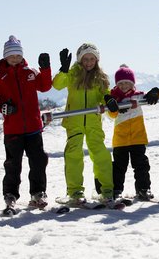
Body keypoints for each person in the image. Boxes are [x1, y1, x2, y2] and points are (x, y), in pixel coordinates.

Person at [0, 35, 51, 209]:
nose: (15, 58)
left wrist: (45, 69)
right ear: (5, 57)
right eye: (12, 56)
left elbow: (44, 86)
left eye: (18, 55)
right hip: (13, 130)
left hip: (34, 127)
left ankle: (38, 193)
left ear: (22, 56)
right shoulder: (0, 77)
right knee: (13, 165)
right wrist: (2, 107)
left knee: (38, 161)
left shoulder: (30, 72)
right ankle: (10, 195)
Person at [52, 43, 120, 206]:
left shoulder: (100, 77)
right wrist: (63, 70)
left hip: (93, 121)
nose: (89, 62)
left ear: (97, 60)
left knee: (100, 154)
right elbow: (57, 85)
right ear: (80, 59)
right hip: (74, 121)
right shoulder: (73, 74)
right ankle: (75, 192)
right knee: (74, 154)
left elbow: (105, 94)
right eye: (85, 59)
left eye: (92, 59)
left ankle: (107, 190)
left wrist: (108, 99)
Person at [100, 64, 159, 200]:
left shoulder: (138, 96)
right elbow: (111, 116)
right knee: (119, 167)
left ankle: (143, 188)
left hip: (138, 138)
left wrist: (156, 92)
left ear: (132, 83)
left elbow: (152, 97)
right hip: (121, 140)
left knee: (141, 165)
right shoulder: (114, 99)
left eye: (127, 83)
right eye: (120, 83)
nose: (124, 86)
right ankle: (116, 190)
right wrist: (113, 106)